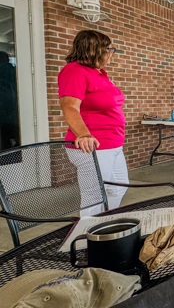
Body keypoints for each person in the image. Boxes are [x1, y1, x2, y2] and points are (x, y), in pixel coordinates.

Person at [58, 30, 127, 214]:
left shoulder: (99, 73)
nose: (111, 53)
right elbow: (70, 106)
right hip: (94, 146)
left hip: (113, 144)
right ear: (94, 50)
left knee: (118, 188)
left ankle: (105, 225)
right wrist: (83, 134)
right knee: (94, 198)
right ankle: (87, 238)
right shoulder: (75, 71)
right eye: (109, 49)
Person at [0, 51, 18, 151]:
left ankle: (6, 157)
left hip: (3, 108)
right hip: (14, 107)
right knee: (14, 132)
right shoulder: (15, 71)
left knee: (4, 137)